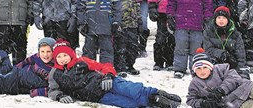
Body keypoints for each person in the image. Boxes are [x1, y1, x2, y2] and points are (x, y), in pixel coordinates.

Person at [48, 40, 182, 108]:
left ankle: (156, 94)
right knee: (127, 103)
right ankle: (153, 102)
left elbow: (104, 66)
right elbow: (52, 89)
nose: (63, 59)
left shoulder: (82, 61)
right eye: (59, 57)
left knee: (130, 89)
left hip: (106, 82)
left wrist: (108, 75)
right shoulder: (55, 73)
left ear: (71, 54)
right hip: (97, 96)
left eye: (65, 55)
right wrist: (59, 96)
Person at [167, 0, 213, 78]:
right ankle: (179, 68)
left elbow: (208, 1)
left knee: (196, 47)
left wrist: (207, 17)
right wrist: (170, 15)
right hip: (181, 21)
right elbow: (172, 1)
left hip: (197, 22)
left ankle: (195, 68)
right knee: (181, 45)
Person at [203, 6, 248, 79]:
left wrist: (239, 68)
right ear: (215, 19)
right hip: (214, 64)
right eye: (219, 18)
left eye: (224, 18)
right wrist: (223, 54)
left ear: (228, 19)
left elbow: (240, 53)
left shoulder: (236, 34)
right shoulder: (208, 32)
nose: (221, 20)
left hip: (232, 64)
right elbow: (208, 50)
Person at [113, 0, 141, 76]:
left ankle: (130, 65)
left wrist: (139, 19)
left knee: (133, 46)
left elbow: (136, 6)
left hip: (133, 24)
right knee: (120, 46)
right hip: (121, 24)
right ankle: (120, 67)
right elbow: (113, 7)